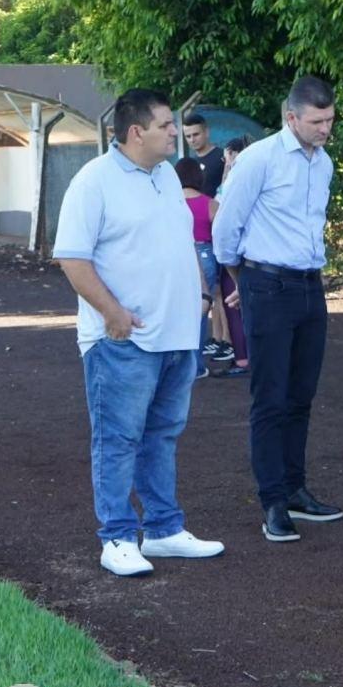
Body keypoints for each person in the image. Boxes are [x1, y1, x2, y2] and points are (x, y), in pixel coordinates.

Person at [53, 88, 224, 577]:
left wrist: (201, 295)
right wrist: (113, 314)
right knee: (117, 438)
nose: (176, 132)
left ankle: (165, 530)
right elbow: (72, 257)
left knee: (162, 435)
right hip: (123, 340)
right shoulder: (94, 182)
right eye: (167, 125)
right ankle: (118, 538)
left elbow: (181, 241)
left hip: (176, 335)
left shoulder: (167, 176)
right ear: (136, 132)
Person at [212, 76, 342, 542]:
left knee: (301, 394)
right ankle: (272, 502)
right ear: (292, 118)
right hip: (266, 284)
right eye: (316, 121)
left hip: (310, 286)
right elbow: (227, 222)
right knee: (270, 396)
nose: (326, 128)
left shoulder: (322, 163)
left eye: (329, 119)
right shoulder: (259, 159)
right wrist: (241, 278)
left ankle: (295, 490)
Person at [175, 157, 220, 380]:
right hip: (205, 253)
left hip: (179, 254)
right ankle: (196, 364)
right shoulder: (209, 202)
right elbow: (224, 230)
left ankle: (179, 363)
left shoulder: (171, 202)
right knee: (201, 310)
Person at [214, 137, 250, 377]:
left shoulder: (237, 181)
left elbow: (223, 212)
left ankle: (243, 359)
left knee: (234, 303)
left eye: (227, 157)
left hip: (237, 253)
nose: (225, 162)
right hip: (242, 253)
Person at [182, 111, 225, 197]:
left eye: (196, 134)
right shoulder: (189, 164)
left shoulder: (223, 157)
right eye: (188, 136)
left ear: (207, 132)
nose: (192, 140)